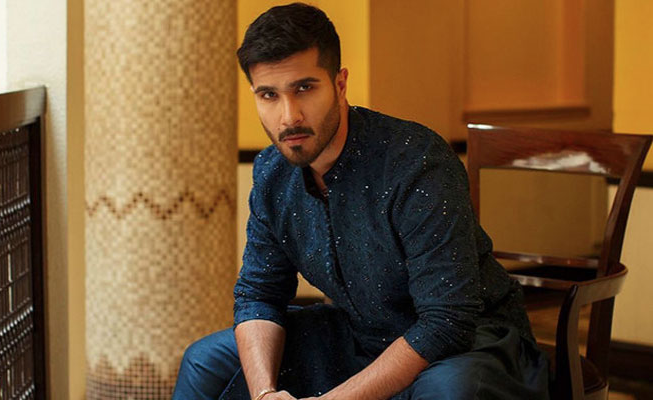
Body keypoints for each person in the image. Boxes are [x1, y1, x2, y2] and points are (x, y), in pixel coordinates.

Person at [172, 3, 549, 399]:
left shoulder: (417, 162)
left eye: (304, 88)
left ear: (340, 84)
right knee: (204, 361)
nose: (288, 116)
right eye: (269, 95)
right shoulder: (271, 173)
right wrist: (265, 393)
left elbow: (447, 321)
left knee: (449, 390)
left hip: (474, 344)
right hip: (359, 335)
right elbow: (259, 295)